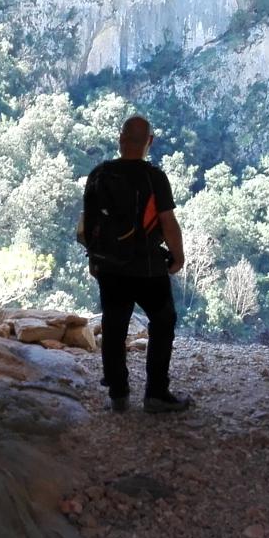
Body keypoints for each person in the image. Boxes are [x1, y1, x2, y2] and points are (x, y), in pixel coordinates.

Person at [81, 115, 192, 413]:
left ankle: (118, 394)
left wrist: (95, 259)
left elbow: (88, 224)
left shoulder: (98, 175)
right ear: (150, 142)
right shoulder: (154, 178)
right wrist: (178, 256)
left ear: (120, 138)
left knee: (114, 325)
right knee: (163, 320)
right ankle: (156, 393)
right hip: (146, 267)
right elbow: (168, 222)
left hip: (110, 266)